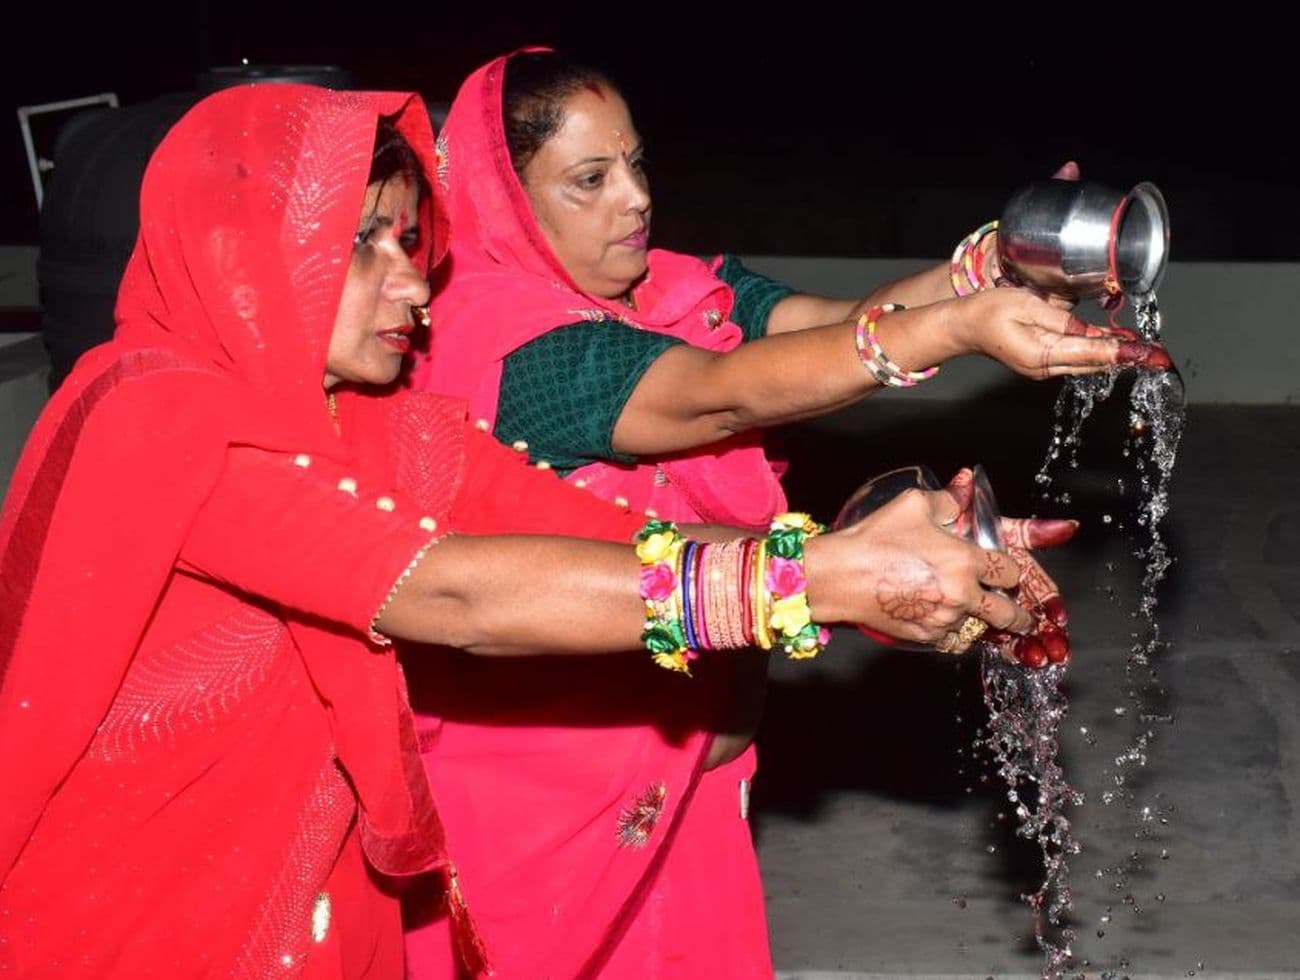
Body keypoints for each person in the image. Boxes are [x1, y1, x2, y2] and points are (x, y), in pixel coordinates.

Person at [0, 82, 1061, 979]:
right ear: (246, 251)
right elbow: (452, 591)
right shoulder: (162, 417)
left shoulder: (385, 424)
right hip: (145, 906)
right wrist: (822, 578)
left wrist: (873, 558)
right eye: (363, 242)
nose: (416, 280)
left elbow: (608, 543)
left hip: (321, 889)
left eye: (410, 238)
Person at [404, 50, 1172, 979]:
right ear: (502, 203)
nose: (635, 199)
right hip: (544, 796)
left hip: (691, 766)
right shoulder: (508, 350)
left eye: (636, 164)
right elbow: (716, 395)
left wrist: (986, 271)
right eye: (590, 181)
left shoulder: (670, 289)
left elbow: (835, 322)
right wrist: (956, 330)